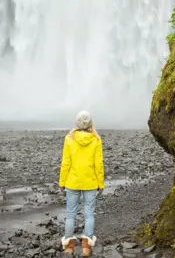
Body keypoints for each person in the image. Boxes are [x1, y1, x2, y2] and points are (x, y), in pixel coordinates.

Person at [59, 110, 105, 257]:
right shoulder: (96, 139)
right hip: (90, 182)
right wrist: (100, 183)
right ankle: (86, 247)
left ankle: (69, 247)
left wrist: (62, 182)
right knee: (89, 214)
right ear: (90, 123)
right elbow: (98, 164)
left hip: (72, 182)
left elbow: (66, 163)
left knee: (70, 214)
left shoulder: (69, 139)